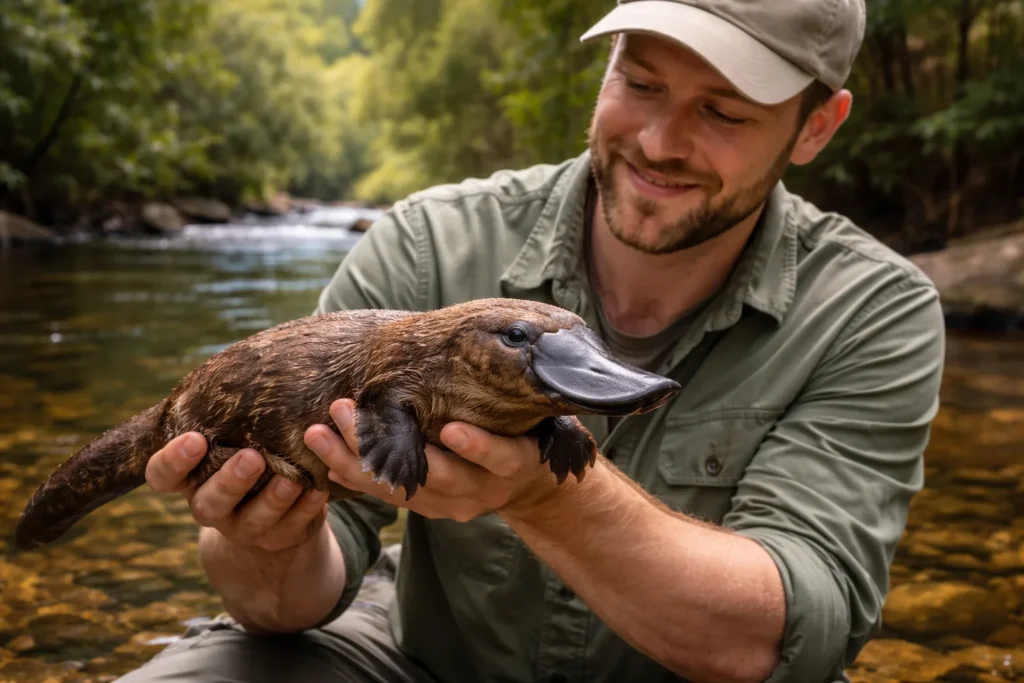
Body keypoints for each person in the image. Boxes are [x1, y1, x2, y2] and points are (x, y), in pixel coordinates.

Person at [117, 1, 945, 682]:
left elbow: (794, 638)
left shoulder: (874, 309)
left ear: (814, 127)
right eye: (640, 81)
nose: (658, 143)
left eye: (722, 111)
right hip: (428, 664)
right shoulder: (424, 243)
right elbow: (284, 604)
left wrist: (546, 495)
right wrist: (267, 537)